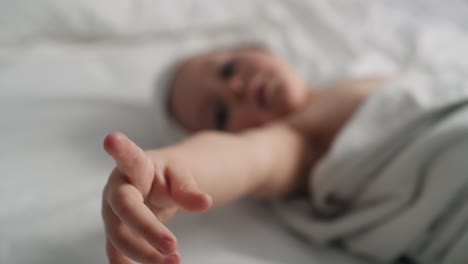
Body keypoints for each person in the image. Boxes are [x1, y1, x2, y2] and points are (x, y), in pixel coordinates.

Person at [101, 44, 388, 264]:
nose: (235, 88)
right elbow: (244, 158)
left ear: (257, 49)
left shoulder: (361, 72)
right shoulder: (293, 139)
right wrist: (167, 170)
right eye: (221, 115)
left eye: (227, 69)